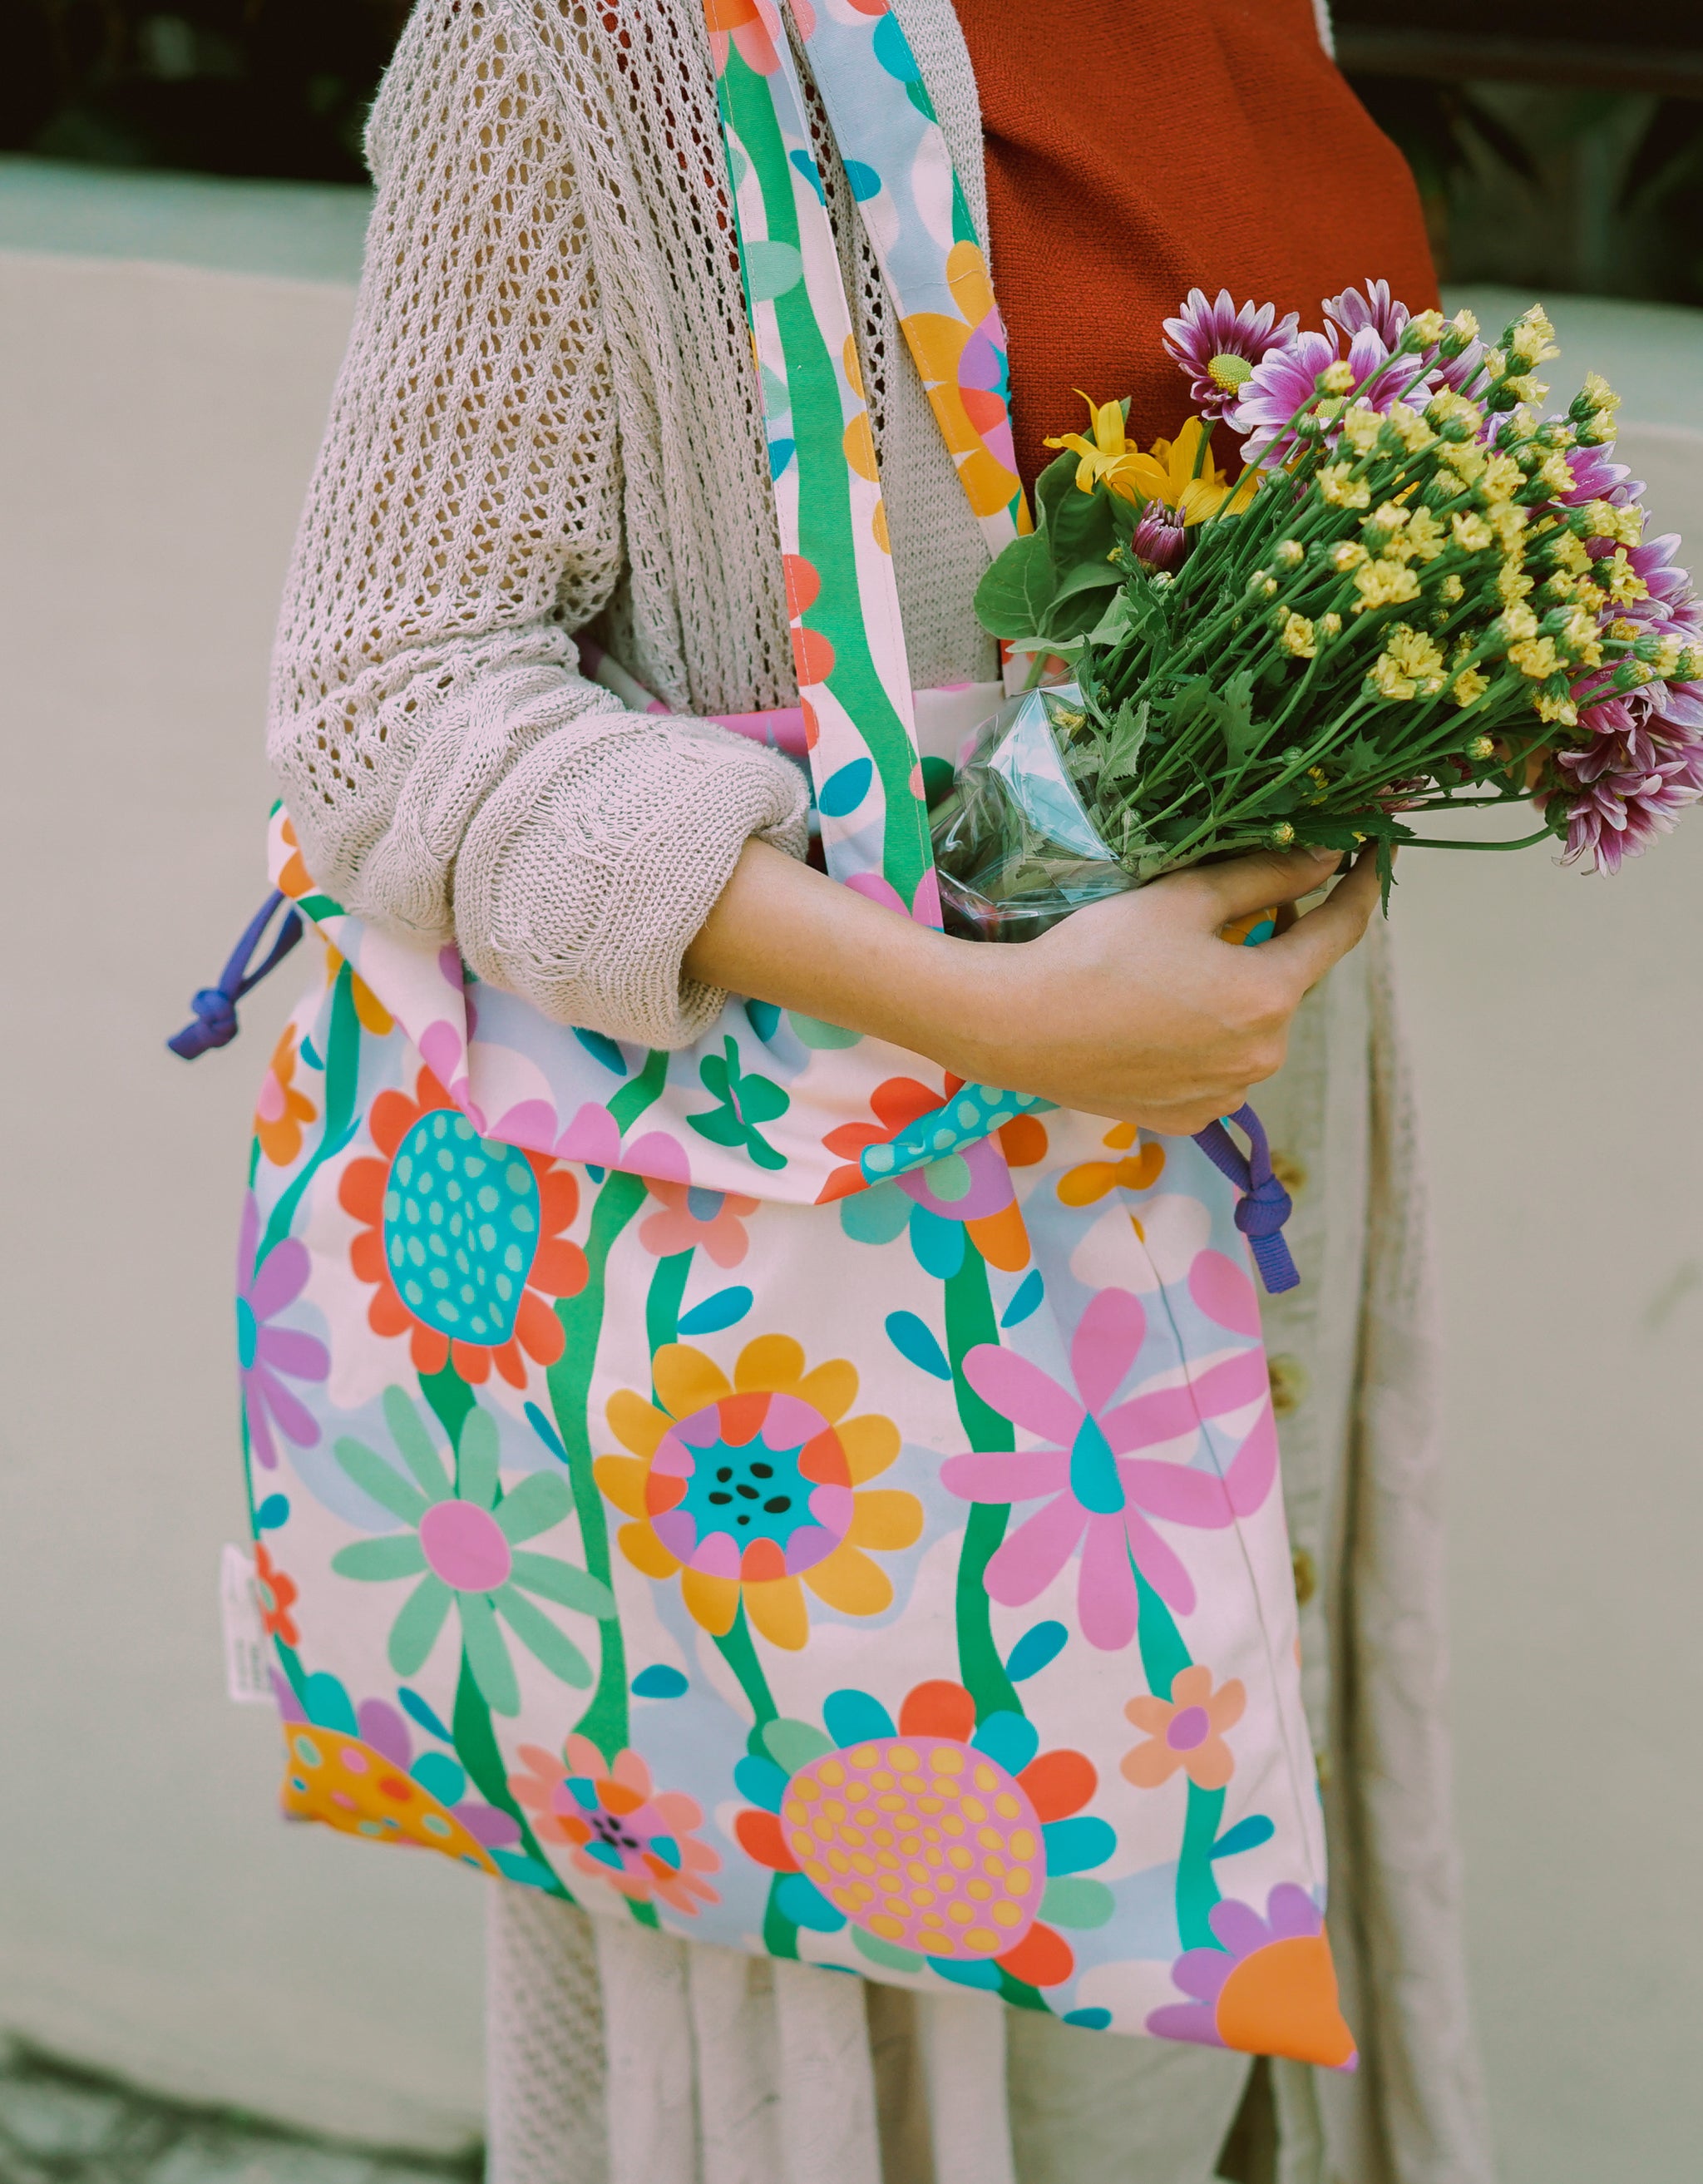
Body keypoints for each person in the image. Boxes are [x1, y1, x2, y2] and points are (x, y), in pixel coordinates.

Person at [268, 1, 1492, 2177]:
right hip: (849, 1319)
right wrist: (991, 1010)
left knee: (1202, 2074)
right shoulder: (587, 40)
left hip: (1227, 1228)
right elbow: (384, 712)